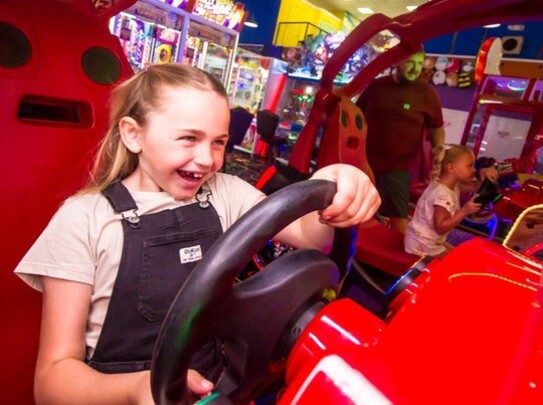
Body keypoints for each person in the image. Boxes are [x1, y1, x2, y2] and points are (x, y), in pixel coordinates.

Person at [14, 63, 380, 404]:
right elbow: (51, 382)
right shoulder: (85, 219)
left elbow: (310, 234)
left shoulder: (224, 193)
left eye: (218, 142)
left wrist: (337, 182)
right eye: (189, 138)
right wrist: (138, 388)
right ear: (133, 134)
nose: (208, 159)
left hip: (217, 388)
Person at [356, 49, 445, 233]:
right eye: (410, 62)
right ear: (397, 61)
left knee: (398, 218)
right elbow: (356, 115)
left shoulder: (427, 94)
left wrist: (439, 147)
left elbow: (436, 127)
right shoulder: (376, 86)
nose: (415, 68)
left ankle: (394, 250)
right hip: (364, 161)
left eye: (419, 63)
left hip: (398, 168)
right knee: (357, 208)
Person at [404, 144, 488, 258]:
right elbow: (440, 227)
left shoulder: (451, 185)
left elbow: (475, 187)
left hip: (425, 240)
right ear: (451, 168)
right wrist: (464, 211)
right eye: (470, 166)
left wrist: (486, 176)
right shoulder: (442, 195)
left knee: (461, 255)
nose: (474, 170)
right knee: (461, 262)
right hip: (421, 244)